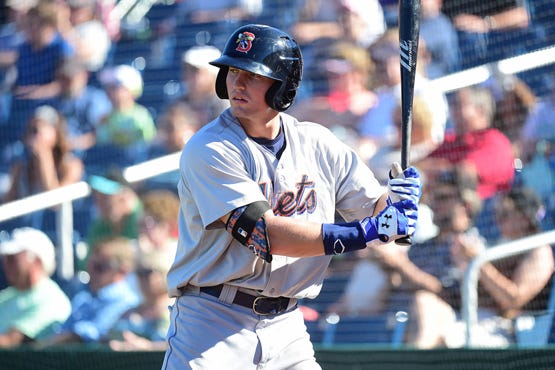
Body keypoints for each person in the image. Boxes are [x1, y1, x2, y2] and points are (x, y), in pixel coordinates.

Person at [162, 24, 421, 369]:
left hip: (287, 325)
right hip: (213, 322)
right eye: (232, 71)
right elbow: (266, 234)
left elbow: (378, 212)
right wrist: (366, 232)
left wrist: (398, 207)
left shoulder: (319, 144)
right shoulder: (209, 148)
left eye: (253, 75)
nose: (237, 83)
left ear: (283, 86)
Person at [35, 236, 141, 347]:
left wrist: (51, 344)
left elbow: (96, 332)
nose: (91, 271)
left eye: (99, 267)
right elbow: (63, 331)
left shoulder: (127, 301)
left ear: (123, 270)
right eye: (90, 265)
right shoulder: (83, 299)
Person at [288, 40, 377, 152]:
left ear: (358, 75)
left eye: (338, 75)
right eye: (330, 74)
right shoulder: (323, 100)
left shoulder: (369, 99)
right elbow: (294, 118)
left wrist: (322, 113)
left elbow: (348, 114)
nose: (332, 79)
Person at [0, 227, 71, 347]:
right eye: (5, 259)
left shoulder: (52, 300)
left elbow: (10, 342)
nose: (6, 264)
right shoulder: (8, 294)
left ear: (37, 260)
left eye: (12, 258)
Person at [3, 105, 84, 203]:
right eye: (32, 130)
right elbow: (8, 204)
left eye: (39, 129)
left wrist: (44, 156)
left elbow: (55, 203)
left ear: (56, 132)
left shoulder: (72, 165)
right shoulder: (20, 167)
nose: (35, 135)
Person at [92, 64, 156, 168]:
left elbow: (147, 144)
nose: (109, 92)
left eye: (114, 87)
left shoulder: (141, 116)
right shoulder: (105, 118)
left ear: (130, 90)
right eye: (108, 87)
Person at [109, 248, 173, 351]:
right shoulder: (130, 311)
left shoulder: (177, 310)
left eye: (147, 273)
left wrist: (149, 346)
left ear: (164, 274)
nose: (141, 278)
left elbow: (184, 347)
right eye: (139, 273)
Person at [54, 56, 112, 156]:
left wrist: (73, 144)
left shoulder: (96, 99)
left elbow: (101, 134)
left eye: (71, 78)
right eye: (63, 77)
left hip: (92, 159)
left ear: (84, 76)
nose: (67, 82)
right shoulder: (55, 101)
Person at [176, 45, 230, 126]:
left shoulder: (226, 107)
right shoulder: (178, 105)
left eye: (195, 71)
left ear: (212, 74)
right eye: (186, 70)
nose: (188, 75)